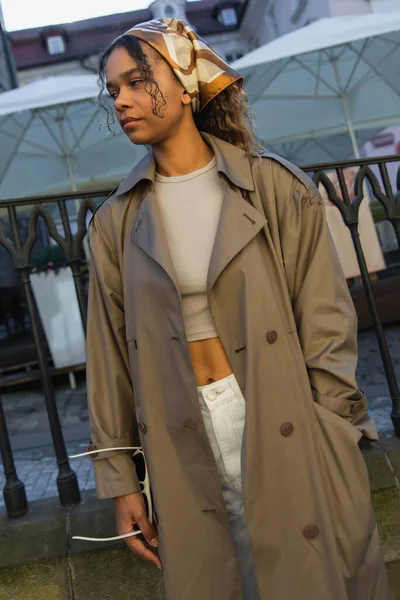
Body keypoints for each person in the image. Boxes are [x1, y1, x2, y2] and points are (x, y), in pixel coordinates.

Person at [86, 17, 389, 600]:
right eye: (113, 89)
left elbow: (326, 320)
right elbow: (108, 360)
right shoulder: (115, 223)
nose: (120, 99)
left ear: (183, 81)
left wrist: (330, 427)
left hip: (278, 412)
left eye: (134, 81)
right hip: (180, 435)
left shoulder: (273, 187)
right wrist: (122, 481)